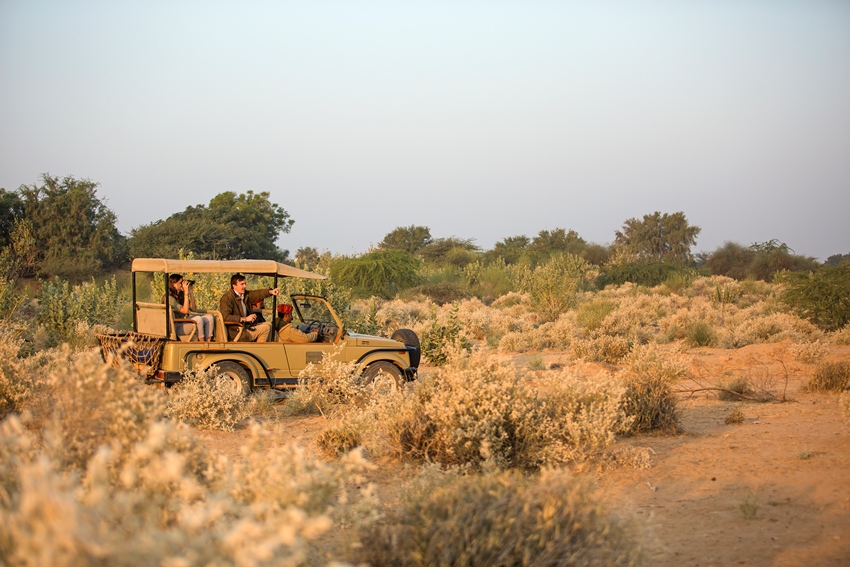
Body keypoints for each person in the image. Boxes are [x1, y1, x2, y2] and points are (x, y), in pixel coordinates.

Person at [219, 273, 279, 342]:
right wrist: (245, 319)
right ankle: (260, 348)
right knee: (265, 328)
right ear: (234, 286)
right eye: (242, 284)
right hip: (237, 331)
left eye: (245, 284)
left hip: (246, 327)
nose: (244, 286)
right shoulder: (227, 298)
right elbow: (226, 317)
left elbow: (257, 294)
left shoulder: (244, 295)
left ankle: (271, 346)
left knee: (269, 325)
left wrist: (270, 292)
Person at [162, 274, 215, 341]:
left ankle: (208, 342)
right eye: (180, 283)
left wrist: (191, 292)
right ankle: (202, 342)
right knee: (198, 319)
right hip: (176, 325)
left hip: (183, 321)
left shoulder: (180, 295)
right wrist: (186, 292)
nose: (182, 285)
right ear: (174, 284)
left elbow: (193, 308)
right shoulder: (169, 298)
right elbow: (185, 311)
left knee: (209, 318)